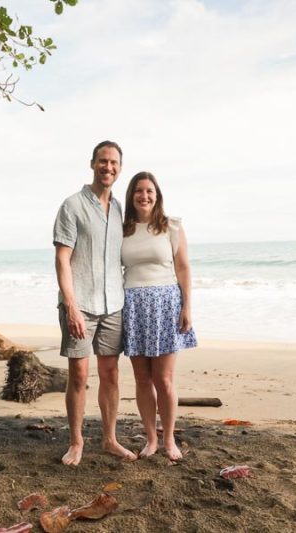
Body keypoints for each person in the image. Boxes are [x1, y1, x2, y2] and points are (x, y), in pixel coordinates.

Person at [52, 140, 137, 466]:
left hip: (113, 304)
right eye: (103, 161)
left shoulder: (119, 210)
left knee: (111, 374)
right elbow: (62, 260)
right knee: (79, 376)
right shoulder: (72, 206)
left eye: (114, 162)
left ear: (119, 168)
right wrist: (71, 305)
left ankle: (110, 440)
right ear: (92, 164)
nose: (108, 167)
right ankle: (76, 442)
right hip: (81, 304)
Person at [121, 171, 197, 461]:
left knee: (163, 379)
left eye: (150, 191)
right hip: (134, 307)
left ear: (157, 195)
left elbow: (184, 268)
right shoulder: (122, 229)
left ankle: (169, 440)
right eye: (139, 191)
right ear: (131, 196)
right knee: (142, 379)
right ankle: (151, 439)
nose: (144, 196)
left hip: (166, 306)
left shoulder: (171, 227)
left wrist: (187, 306)